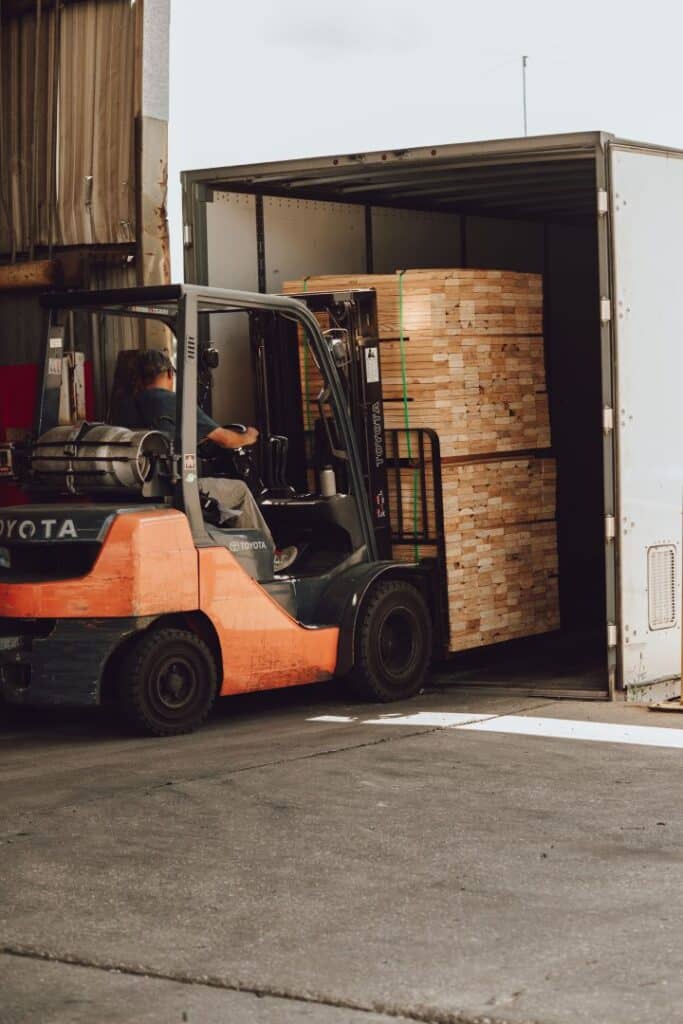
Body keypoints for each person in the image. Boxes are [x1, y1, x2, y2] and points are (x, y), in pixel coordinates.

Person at [120, 349, 297, 574]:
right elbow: (226, 439)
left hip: (138, 491)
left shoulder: (126, 406)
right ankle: (270, 557)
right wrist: (249, 436)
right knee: (239, 491)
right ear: (168, 374)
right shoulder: (173, 402)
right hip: (175, 489)